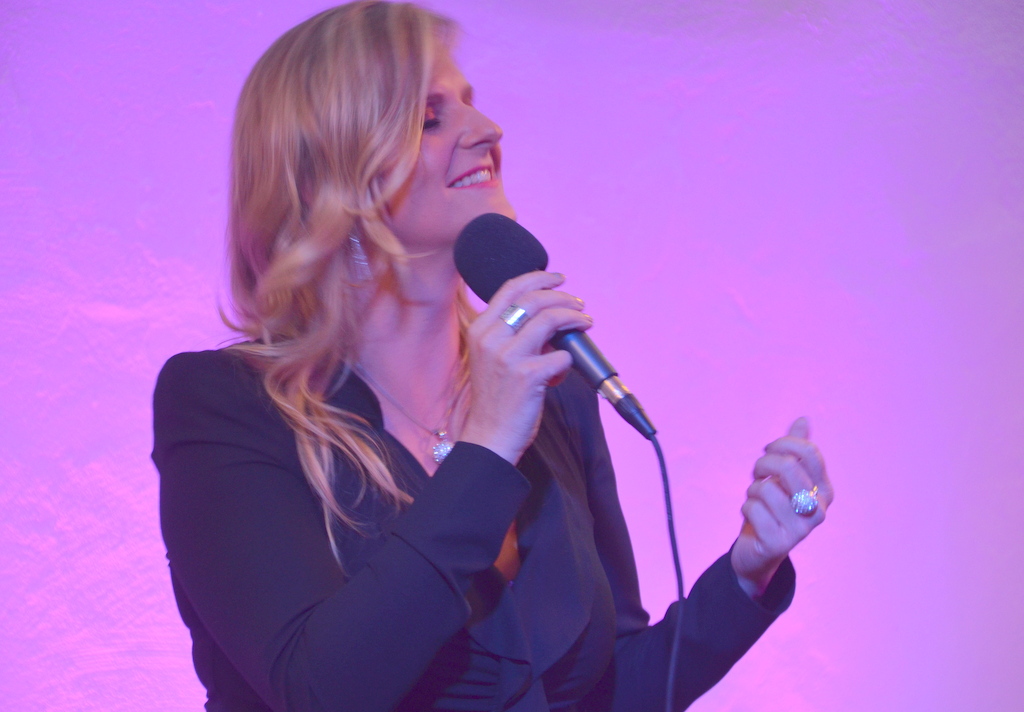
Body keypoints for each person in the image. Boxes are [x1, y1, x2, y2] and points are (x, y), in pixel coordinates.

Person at [152, 3, 834, 711]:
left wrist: (747, 575)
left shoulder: (554, 396)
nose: (488, 130)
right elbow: (319, 689)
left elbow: (607, 691)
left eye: (470, 104)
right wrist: (487, 447)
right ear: (334, 177)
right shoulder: (226, 405)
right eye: (430, 118)